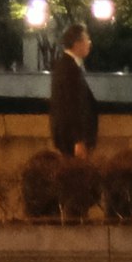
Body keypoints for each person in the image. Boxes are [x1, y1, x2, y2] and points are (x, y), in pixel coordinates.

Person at [46, 24, 100, 217]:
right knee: (76, 186)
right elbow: (71, 106)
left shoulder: (67, 66)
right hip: (73, 140)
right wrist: (78, 139)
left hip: (70, 138)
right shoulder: (69, 68)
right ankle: (76, 223)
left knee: (76, 185)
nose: (89, 44)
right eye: (87, 39)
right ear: (77, 43)